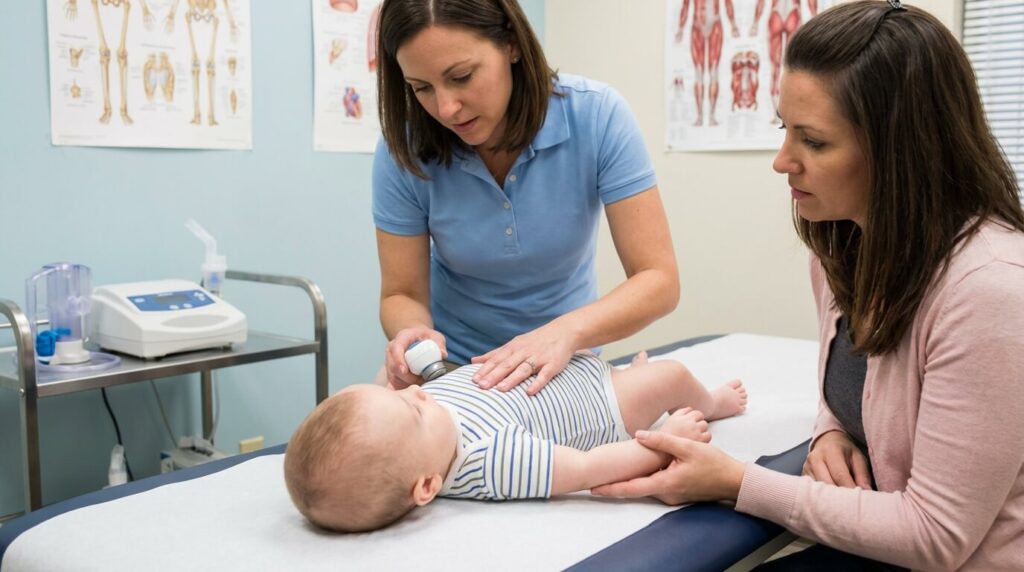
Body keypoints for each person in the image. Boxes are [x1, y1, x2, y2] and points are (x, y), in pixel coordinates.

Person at [593, 2, 1024, 570]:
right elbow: (854, 393)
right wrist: (830, 433)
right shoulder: (842, 248)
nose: (781, 161)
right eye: (783, 129)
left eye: (814, 142)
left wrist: (735, 482)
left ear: (903, 152)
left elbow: (936, 536)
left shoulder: (990, 291)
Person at [371, 0, 679, 395]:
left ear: (511, 43)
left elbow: (659, 280)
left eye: (461, 77)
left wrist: (564, 332)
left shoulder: (597, 116)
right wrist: (414, 338)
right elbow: (403, 293)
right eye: (422, 89)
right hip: (455, 374)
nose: (446, 108)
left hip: (563, 366)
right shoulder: (404, 149)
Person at [283, 353, 747, 532]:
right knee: (671, 376)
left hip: (559, 368)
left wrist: (400, 364)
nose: (416, 393)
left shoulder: (414, 423)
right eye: (413, 409)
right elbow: (587, 470)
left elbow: (392, 402)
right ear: (426, 487)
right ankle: (711, 402)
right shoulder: (486, 460)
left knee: (637, 371)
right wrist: (660, 443)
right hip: (602, 404)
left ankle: (633, 372)